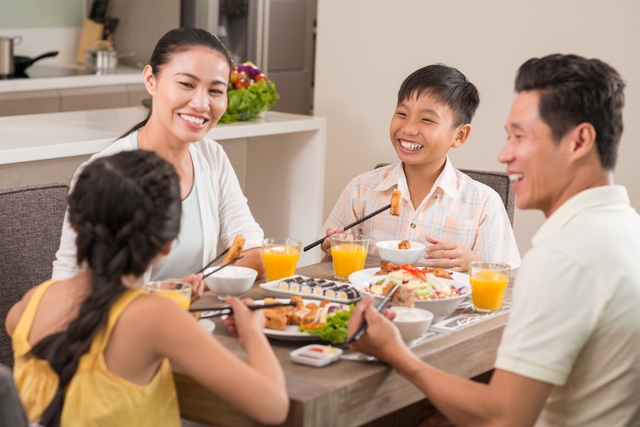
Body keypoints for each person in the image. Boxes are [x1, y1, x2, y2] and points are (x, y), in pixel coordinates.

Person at [346, 54, 640, 426]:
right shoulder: (627, 230)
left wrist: (395, 354)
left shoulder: (563, 258)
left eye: (520, 137)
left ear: (579, 141)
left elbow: (503, 417)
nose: (505, 154)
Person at [5, 150, 288, 427]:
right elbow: (273, 407)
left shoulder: (31, 303)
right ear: (167, 243)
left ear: (76, 227)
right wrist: (252, 333)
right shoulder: (155, 317)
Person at [52, 27, 266, 286]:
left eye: (216, 91)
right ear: (151, 80)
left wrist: (196, 285)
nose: (201, 104)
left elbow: (253, 252)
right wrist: (167, 295)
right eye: (186, 84)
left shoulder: (212, 156)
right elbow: (69, 281)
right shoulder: (108, 172)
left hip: (197, 319)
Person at [320, 64, 521, 271]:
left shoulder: (484, 204)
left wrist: (472, 263)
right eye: (402, 114)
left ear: (459, 135)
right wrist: (334, 249)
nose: (408, 128)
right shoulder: (361, 189)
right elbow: (326, 270)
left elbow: (506, 284)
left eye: (426, 119)